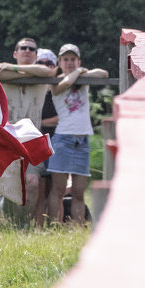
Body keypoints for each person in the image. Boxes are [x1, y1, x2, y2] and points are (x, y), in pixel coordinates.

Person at [0, 37, 56, 227]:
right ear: (15, 53)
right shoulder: (28, 74)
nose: (27, 50)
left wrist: (12, 69)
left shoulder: (41, 75)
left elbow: (47, 71)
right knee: (8, 185)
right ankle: (8, 223)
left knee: (32, 183)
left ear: (36, 55)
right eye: (23, 48)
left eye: (31, 49)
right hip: (6, 137)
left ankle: (23, 226)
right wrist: (17, 71)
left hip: (32, 139)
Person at [47, 44, 108, 226]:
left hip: (82, 140)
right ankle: (53, 227)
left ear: (78, 61)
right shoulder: (54, 80)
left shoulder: (83, 78)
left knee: (79, 191)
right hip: (63, 139)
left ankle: (77, 228)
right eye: (65, 59)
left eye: (73, 59)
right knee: (58, 190)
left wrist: (81, 73)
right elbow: (62, 86)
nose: (69, 63)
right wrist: (79, 73)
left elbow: (103, 74)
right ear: (59, 62)